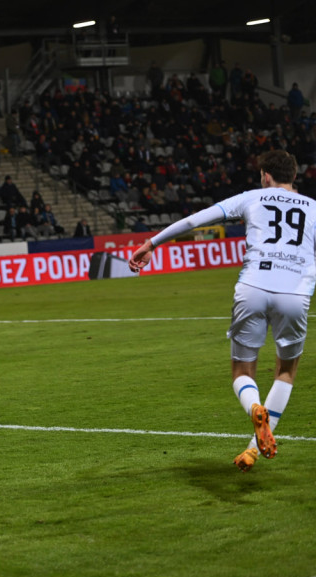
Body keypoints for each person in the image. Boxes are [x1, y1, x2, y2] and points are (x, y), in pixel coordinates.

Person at [128, 150, 315, 472]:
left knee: (243, 371)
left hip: (253, 287)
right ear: (293, 176)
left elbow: (194, 220)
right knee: (285, 372)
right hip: (294, 293)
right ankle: (253, 451)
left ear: (266, 176)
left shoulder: (252, 197)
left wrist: (151, 244)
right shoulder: (313, 207)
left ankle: (255, 408)